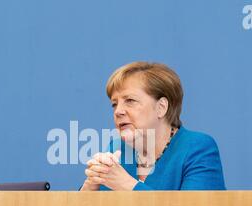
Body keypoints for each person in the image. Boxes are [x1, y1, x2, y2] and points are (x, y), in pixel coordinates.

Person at [80, 61, 226, 191]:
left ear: (161, 107)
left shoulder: (197, 148)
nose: (118, 111)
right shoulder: (117, 149)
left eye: (130, 100)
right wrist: (90, 187)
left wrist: (127, 185)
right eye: (114, 104)